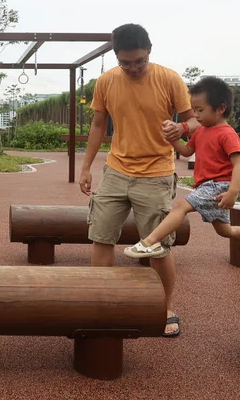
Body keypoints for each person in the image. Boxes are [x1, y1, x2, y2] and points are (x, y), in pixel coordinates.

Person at [80, 24, 199, 337]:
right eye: (126, 63)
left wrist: (183, 130)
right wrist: (86, 167)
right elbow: (97, 125)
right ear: (116, 56)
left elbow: (194, 119)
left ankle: (165, 307)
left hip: (156, 172)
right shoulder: (106, 81)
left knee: (158, 246)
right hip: (116, 170)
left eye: (139, 62)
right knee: (101, 237)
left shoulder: (169, 78)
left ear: (149, 51)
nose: (133, 68)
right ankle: (102, 304)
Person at [124, 76, 240, 266]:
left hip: (218, 186)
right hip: (208, 186)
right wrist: (171, 137)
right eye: (194, 110)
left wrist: (233, 192)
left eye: (200, 110)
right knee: (226, 231)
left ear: (220, 108)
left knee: (180, 207)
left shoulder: (227, 134)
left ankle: (150, 242)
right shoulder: (201, 131)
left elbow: (239, 164)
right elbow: (186, 151)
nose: (196, 115)